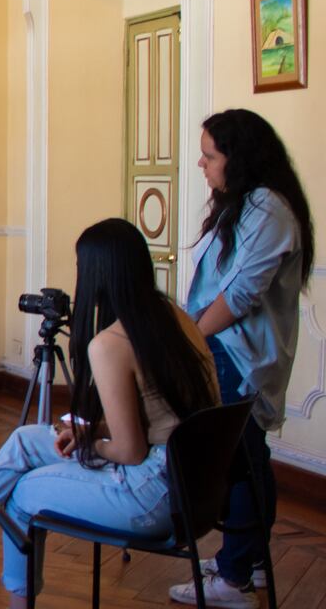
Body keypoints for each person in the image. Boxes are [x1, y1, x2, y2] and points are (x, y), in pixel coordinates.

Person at [0, 218, 219, 608]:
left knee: (24, 493)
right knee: (26, 439)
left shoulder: (111, 343)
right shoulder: (174, 316)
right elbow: (159, 415)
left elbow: (130, 452)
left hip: (152, 493)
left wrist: (90, 443)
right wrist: (92, 432)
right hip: (194, 484)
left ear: (95, 274)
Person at [168, 109, 314, 608]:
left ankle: (234, 578)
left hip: (238, 355)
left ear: (239, 156)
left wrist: (189, 339)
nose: (202, 164)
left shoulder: (267, 208)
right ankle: (247, 560)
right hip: (229, 351)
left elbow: (240, 294)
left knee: (237, 458)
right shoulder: (249, 203)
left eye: (210, 156)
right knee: (247, 458)